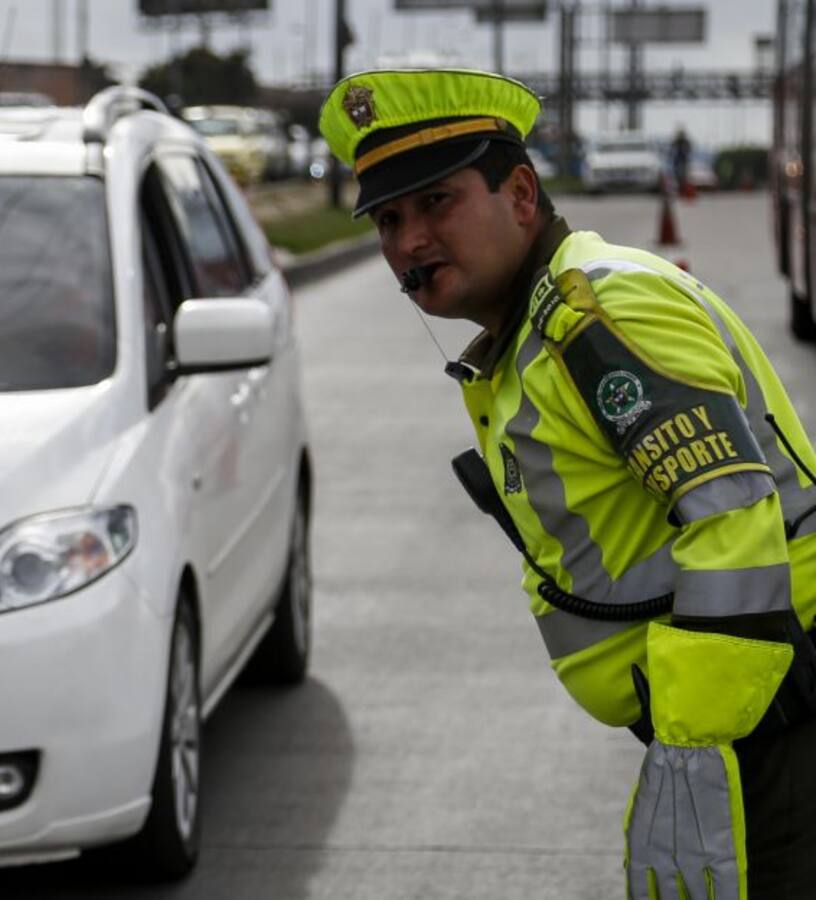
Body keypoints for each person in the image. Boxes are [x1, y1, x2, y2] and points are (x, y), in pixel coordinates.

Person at [318, 68, 816, 898]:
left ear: (519, 195)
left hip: (771, 719)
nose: (408, 241)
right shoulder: (534, 333)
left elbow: (732, 522)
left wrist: (695, 746)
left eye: (437, 202)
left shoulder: (598, 315)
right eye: (390, 219)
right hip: (745, 714)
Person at [670, 126, 693, 195]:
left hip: (683, 161)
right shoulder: (676, 141)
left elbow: (689, 149)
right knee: (677, 176)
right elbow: (671, 148)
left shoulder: (685, 141)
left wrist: (685, 150)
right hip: (677, 161)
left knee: (684, 177)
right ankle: (680, 190)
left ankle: (683, 190)